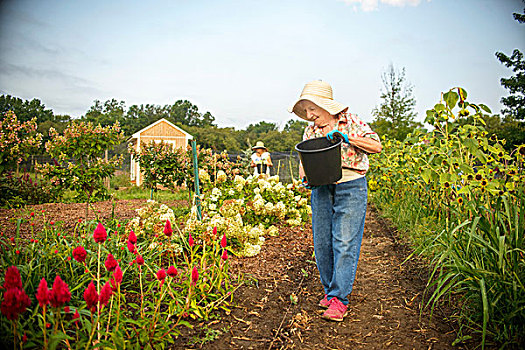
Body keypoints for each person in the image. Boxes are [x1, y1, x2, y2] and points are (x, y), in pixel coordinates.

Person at [289, 80, 382, 322]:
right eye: (306, 112)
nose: (309, 116)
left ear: (325, 106)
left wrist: (348, 138)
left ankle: (340, 299)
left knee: (344, 241)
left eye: (312, 110)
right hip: (321, 188)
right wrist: (305, 178)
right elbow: (304, 162)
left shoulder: (351, 121)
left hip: (350, 186)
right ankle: (331, 292)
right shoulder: (311, 131)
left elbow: (376, 146)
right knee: (322, 243)